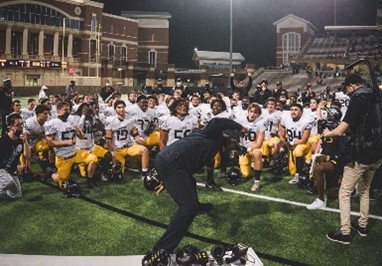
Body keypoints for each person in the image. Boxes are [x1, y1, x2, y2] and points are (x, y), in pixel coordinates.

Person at [142, 118, 247, 265]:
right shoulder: (212, 134)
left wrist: (168, 181)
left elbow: (188, 163)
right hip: (171, 164)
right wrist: (239, 126)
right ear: (227, 136)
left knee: (190, 182)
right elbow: (217, 122)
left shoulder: (214, 146)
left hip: (175, 166)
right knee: (187, 209)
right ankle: (161, 249)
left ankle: (197, 206)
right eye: (233, 142)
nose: (233, 147)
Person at [324, 73, 382, 244]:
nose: (348, 92)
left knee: (344, 193)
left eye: (348, 88)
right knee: (365, 190)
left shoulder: (358, 99)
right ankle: (362, 226)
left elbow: (341, 130)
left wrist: (329, 133)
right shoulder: (375, 97)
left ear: (352, 85)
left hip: (362, 153)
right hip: (378, 152)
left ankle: (345, 233)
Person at [0, 114, 31, 199]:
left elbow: (28, 156)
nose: (21, 127)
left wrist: (25, 142)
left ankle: (4, 188)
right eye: (18, 125)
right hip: (1, 169)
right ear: (10, 127)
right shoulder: (3, 141)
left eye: (22, 124)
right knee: (8, 182)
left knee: (17, 195)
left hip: (11, 170)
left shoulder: (21, 140)